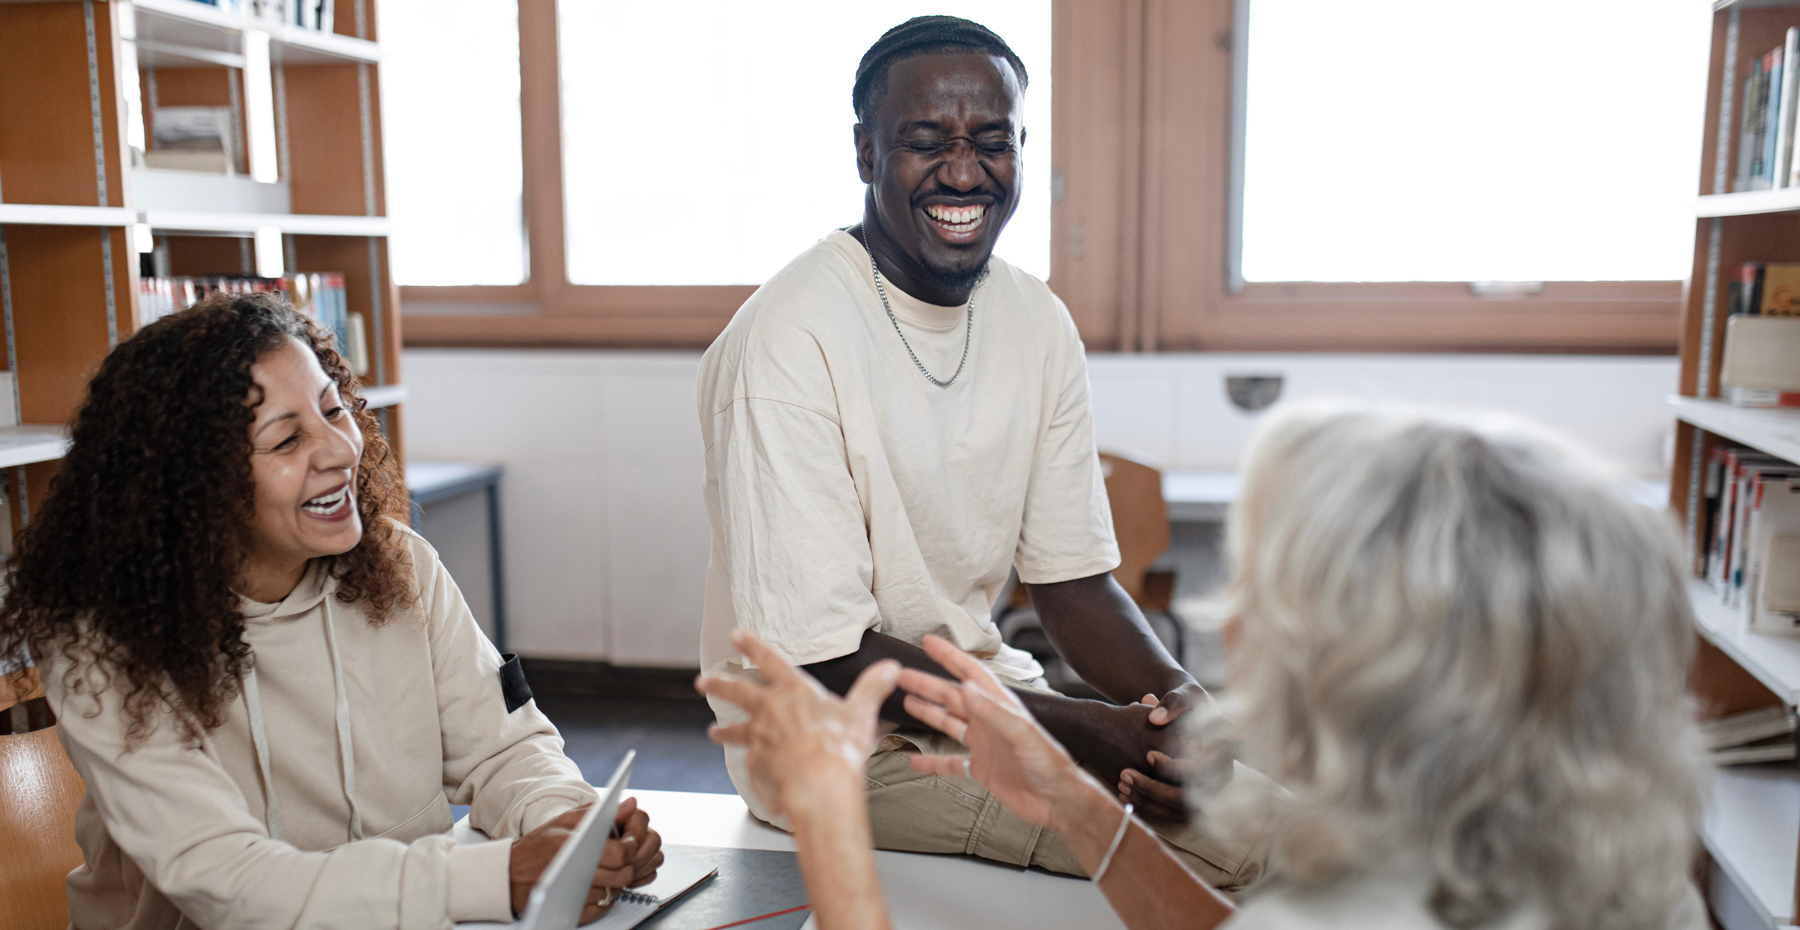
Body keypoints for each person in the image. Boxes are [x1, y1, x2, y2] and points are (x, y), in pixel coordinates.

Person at [701, 402, 1712, 930]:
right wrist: (1088, 812)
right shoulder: (1635, 876)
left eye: (1268, 598)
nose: (1232, 628)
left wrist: (830, 819)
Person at [695, 14, 1260, 884]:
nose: (964, 172)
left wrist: (1178, 705)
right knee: (1238, 860)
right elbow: (827, 657)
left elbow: (1072, 583)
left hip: (994, 699)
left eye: (993, 141)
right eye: (927, 142)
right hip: (834, 750)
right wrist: (1083, 732)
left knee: (1300, 831)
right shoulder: (788, 339)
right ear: (866, 153)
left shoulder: (1036, 320)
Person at [0, 292, 662, 930]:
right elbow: (230, 883)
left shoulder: (400, 566)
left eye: (334, 410)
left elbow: (506, 752)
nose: (342, 450)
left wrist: (573, 832)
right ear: (190, 486)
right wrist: (498, 877)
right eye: (287, 441)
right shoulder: (105, 643)